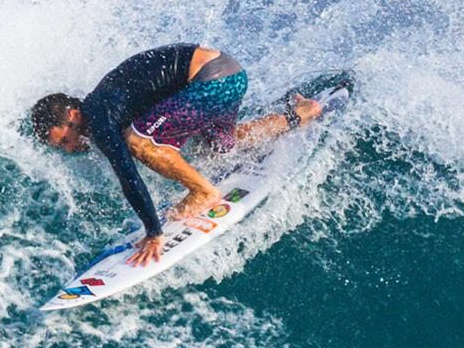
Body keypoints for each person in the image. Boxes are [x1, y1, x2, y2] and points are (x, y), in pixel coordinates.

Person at [30, 43, 321, 267]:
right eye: (63, 147)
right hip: (228, 75)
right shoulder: (105, 104)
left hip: (212, 80)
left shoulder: (100, 117)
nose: (71, 148)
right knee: (221, 147)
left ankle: (203, 192)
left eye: (66, 139)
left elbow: (127, 175)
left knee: (140, 142)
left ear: (73, 114)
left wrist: (154, 232)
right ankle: (300, 115)